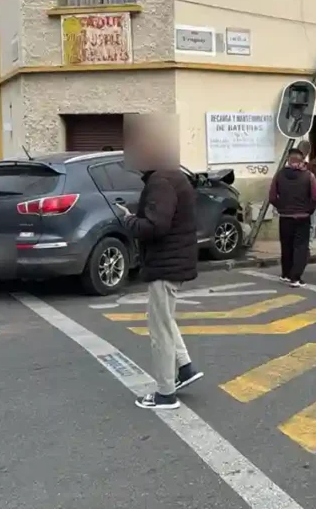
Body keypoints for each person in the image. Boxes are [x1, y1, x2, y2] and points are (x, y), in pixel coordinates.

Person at [118, 116, 203, 411]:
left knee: (160, 329)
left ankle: (166, 393)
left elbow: (155, 226)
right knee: (165, 321)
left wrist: (129, 220)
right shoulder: (172, 176)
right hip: (173, 261)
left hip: (165, 264)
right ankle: (185, 368)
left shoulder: (161, 181)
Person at [270, 148, 316, 288]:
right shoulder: (309, 176)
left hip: (285, 217)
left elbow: (272, 197)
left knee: (286, 246)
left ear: (288, 160)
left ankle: (285, 274)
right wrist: (309, 210)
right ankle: (296, 278)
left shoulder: (279, 175)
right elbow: (315, 197)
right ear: (302, 161)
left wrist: (281, 207)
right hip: (302, 217)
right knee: (300, 247)